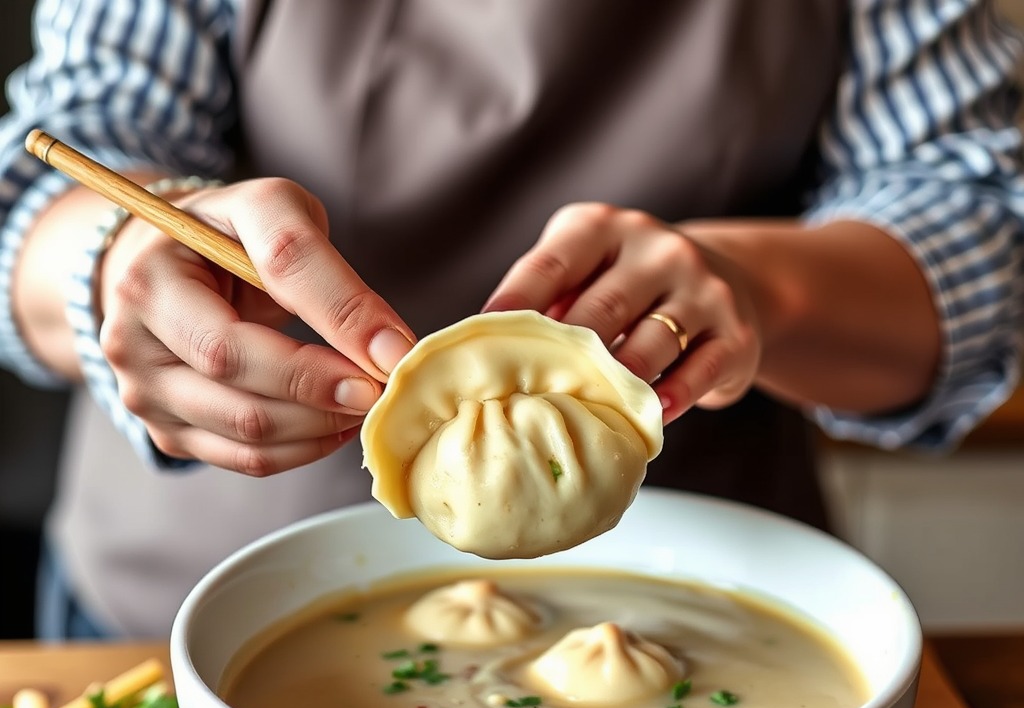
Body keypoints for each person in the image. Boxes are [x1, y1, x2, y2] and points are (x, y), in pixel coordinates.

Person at [1, 0, 1022, 640]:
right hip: (174, 617)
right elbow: (50, 169)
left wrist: (757, 288)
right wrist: (118, 264)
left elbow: (977, 220)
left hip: (718, 611)